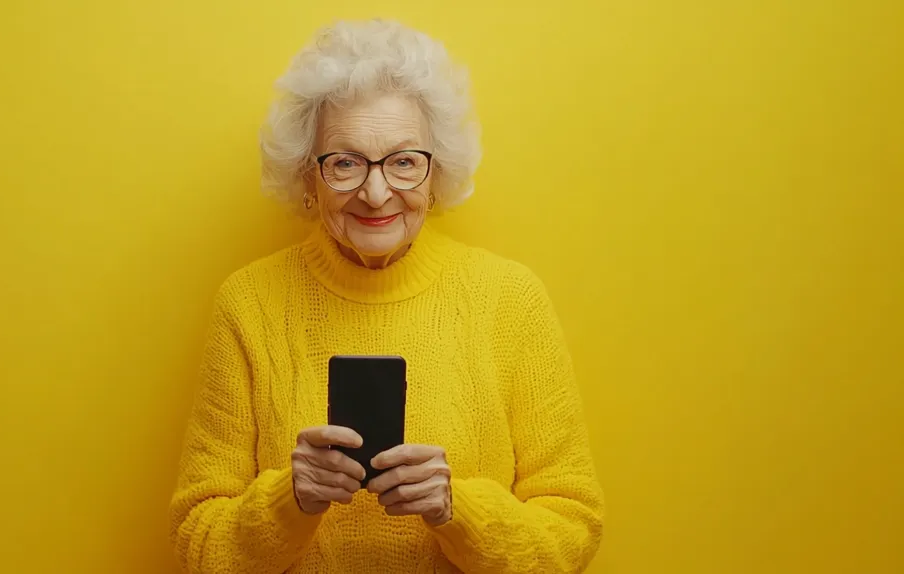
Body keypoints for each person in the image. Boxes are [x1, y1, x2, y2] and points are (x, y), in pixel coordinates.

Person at [169, 18, 604, 574]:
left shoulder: (509, 299)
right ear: (308, 176)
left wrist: (458, 510)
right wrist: (289, 501)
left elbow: (573, 531)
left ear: (435, 173)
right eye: (345, 162)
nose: (376, 194)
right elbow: (198, 542)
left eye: (403, 161)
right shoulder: (249, 302)